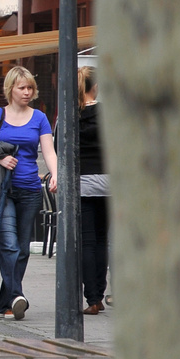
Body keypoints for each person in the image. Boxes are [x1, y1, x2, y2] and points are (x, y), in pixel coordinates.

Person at [0, 65, 57, 321]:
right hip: (1, 191)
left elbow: (48, 151)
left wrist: (55, 174)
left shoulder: (39, 118)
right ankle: (17, 295)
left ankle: (7, 302)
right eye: (22, 87)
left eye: (30, 87)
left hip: (30, 190)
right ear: (10, 89)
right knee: (9, 245)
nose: (27, 92)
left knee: (22, 249)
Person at [77, 66, 110, 314]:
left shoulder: (71, 114)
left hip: (83, 184)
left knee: (87, 242)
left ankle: (93, 299)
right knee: (101, 241)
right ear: (96, 87)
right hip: (109, 183)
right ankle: (100, 291)